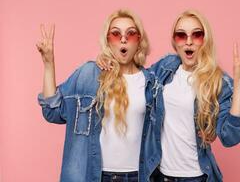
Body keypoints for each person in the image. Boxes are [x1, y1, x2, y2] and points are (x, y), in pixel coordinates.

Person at [97, 9, 240, 182]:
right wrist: (107, 58)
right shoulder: (164, 69)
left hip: (198, 176)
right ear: (174, 41)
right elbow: (134, 79)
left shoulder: (217, 80)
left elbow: (230, 136)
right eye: (181, 35)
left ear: (205, 39)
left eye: (197, 35)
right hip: (160, 176)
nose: (189, 42)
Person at [37, 9, 156, 182]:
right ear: (108, 41)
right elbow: (52, 111)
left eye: (130, 34)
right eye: (116, 34)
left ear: (139, 41)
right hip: (96, 176)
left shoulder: (151, 82)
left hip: (139, 177)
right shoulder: (90, 74)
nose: (123, 39)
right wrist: (48, 63)